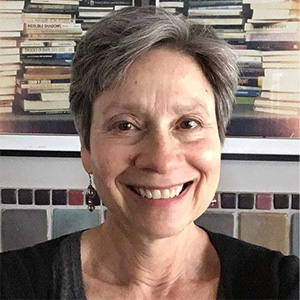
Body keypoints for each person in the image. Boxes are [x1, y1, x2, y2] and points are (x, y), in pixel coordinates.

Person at [1, 6, 299, 300]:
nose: (161, 160)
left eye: (188, 123)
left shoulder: (283, 287)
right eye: (125, 125)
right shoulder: (11, 284)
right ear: (86, 145)